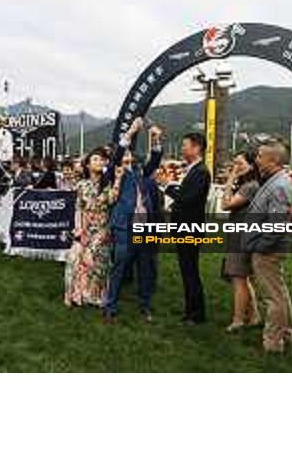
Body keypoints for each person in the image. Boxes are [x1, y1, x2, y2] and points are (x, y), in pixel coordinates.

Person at [103, 117, 163, 323]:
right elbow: (117, 154)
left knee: (146, 268)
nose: (128, 164)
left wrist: (154, 139)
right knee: (120, 265)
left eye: (130, 161)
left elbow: (155, 159)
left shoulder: (141, 174)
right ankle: (110, 305)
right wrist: (130, 132)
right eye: (125, 161)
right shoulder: (115, 173)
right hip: (124, 227)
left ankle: (145, 305)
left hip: (144, 227)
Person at [242, 142, 292, 353]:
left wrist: (259, 246)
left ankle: (273, 342)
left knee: (273, 297)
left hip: (267, 251)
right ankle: (286, 333)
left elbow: (276, 224)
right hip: (267, 248)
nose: (257, 159)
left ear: (273, 161)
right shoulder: (275, 181)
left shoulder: (280, 185)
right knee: (279, 293)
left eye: (261, 156)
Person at [164, 132, 211, 325]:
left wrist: (168, 187)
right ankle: (190, 310)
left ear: (196, 147)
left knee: (190, 271)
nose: (183, 149)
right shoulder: (194, 170)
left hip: (189, 229)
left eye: (185, 145)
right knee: (187, 271)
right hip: (184, 228)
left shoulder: (200, 172)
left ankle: (196, 314)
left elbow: (187, 198)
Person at [64, 148, 121, 307]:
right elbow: (79, 208)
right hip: (84, 227)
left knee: (92, 257)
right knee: (74, 257)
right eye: (95, 159)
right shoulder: (81, 184)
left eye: (102, 160)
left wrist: (116, 180)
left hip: (102, 228)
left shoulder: (107, 183)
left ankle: (94, 295)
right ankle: (76, 294)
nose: (99, 162)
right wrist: (80, 230)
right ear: (88, 165)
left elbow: (111, 200)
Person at [220, 150, 261, 332]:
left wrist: (230, 179)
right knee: (243, 277)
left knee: (238, 278)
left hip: (241, 235)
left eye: (240, 164)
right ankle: (254, 315)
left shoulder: (250, 186)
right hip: (243, 233)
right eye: (234, 163)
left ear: (251, 166)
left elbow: (226, 204)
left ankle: (238, 320)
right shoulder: (252, 184)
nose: (236, 167)